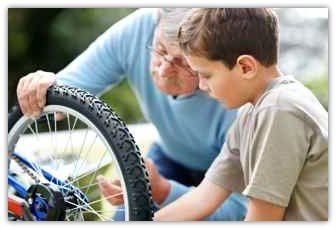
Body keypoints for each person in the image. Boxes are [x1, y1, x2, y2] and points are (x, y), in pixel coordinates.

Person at [16, 8, 247, 220]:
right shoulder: (140, 28)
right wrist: (44, 84)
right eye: (160, 49)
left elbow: (242, 213)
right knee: (125, 217)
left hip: (226, 177)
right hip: (171, 155)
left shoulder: (241, 99)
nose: (164, 69)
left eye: (183, 63)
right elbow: (69, 88)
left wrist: (164, 192)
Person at [154, 8, 328, 221]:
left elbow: (263, 219)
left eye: (206, 75)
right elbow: (204, 198)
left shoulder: (279, 109)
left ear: (246, 67)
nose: (201, 85)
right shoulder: (250, 112)